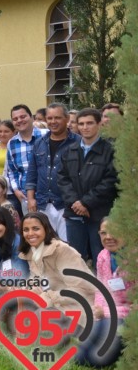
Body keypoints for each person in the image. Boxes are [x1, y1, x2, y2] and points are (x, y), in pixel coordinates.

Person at [57, 107, 118, 263]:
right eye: (81, 123)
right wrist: (75, 203)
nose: (85, 127)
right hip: (74, 214)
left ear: (99, 124)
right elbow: (63, 178)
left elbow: (110, 181)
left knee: (102, 258)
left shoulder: (110, 150)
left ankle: (104, 288)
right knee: (76, 260)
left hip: (99, 214)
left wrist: (85, 202)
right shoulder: (69, 150)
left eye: (89, 123)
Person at [18, 212, 96, 318]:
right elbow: (37, 280)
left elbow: (82, 289)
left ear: (46, 229)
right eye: (26, 230)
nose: (30, 233)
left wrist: (48, 297)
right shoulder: (32, 252)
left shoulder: (62, 250)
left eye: (36, 228)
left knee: (35, 318)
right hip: (52, 303)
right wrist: (30, 287)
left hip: (77, 306)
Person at [76, 218, 129, 367]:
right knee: (79, 357)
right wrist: (97, 311)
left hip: (128, 318)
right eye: (103, 233)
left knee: (96, 360)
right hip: (109, 314)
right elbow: (101, 289)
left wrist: (105, 312)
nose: (108, 237)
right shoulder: (103, 256)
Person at [25, 103, 79, 241]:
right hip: (43, 202)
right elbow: (32, 173)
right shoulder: (39, 142)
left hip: (66, 204)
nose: (53, 122)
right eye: (49, 118)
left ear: (67, 119)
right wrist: (31, 199)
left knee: (67, 246)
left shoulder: (78, 143)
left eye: (57, 118)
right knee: (45, 245)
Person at [5, 104, 45, 214]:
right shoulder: (12, 143)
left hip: (48, 196)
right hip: (25, 196)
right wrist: (16, 190)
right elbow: (12, 171)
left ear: (31, 117)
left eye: (23, 117)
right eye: (15, 119)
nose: (19, 121)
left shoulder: (46, 135)